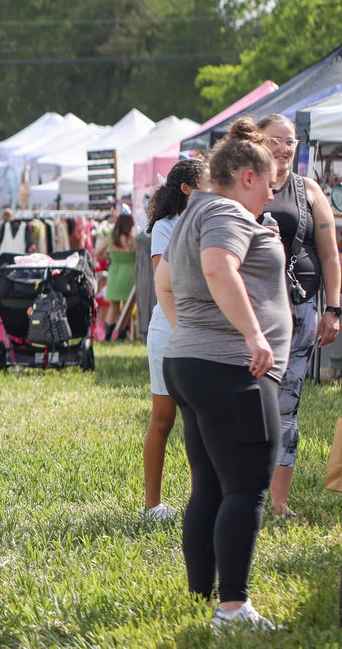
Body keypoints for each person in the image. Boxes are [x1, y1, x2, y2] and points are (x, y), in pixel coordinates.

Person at [156, 117, 288, 632]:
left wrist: (188, 327)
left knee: (209, 484)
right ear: (248, 176)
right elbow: (217, 267)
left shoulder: (197, 211)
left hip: (192, 360)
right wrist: (254, 336)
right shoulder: (228, 212)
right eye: (270, 186)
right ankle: (232, 609)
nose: (271, 198)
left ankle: (200, 596)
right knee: (247, 486)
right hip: (231, 366)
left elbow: (166, 279)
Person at [257, 113, 342, 518]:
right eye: (276, 140)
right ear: (258, 141)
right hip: (254, 311)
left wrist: (334, 309)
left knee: (287, 404)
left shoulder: (308, 190)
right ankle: (246, 492)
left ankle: (278, 500)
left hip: (302, 307)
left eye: (290, 141)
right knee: (252, 401)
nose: (284, 148)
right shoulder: (244, 187)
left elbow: (329, 253)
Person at [140, 157, 207, 521]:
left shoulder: (213, 220)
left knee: (200, 421)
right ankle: (152, 505)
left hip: (205, 329)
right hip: (170, 330)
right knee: (163, 419)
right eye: (204, 181)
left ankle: (202, 502)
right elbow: (162, 280)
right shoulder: (166, 227)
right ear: (186, 189)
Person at [96, 213, 136, 341]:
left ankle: (107, 335)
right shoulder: (132, 242)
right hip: (129, 273)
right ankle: (122, 334)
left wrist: (110, 257)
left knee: (113, 307)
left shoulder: (111, 239)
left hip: (114, 272)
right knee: (126, 307)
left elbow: (97, 253)